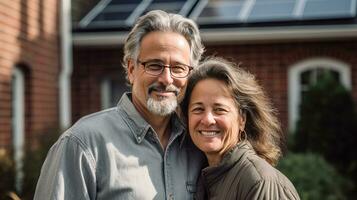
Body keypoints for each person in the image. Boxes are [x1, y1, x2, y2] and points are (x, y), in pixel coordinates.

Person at [34, 10, 206, 200]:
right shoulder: (83, 144)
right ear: (131, 70)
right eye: (154, 65)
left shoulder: (198, 142)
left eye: (178, 68)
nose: (166, 79)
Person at [182, 57, 300, 200]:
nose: (207, 119)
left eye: (219, 110)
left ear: (242, 119)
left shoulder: (259, 182)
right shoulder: (204, 180)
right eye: (198, 109)